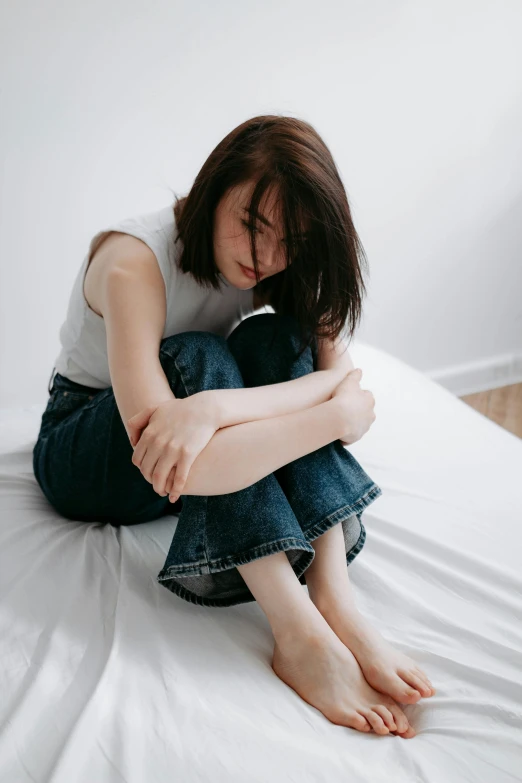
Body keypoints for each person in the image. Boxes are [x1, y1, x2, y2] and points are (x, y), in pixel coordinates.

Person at [33, 114, 434, 738]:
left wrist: (217, 409)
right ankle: (296, 630)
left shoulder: (278, 262)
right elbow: (184, 459)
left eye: (289, 243)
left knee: (277, 338)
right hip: (90, 452)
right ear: (216, 186)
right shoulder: (133, 261)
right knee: (201, 355)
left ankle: (331, 593)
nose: (265, 259)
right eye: (254, 226)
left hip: (194, 432)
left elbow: (338, 372)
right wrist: (329, 411)